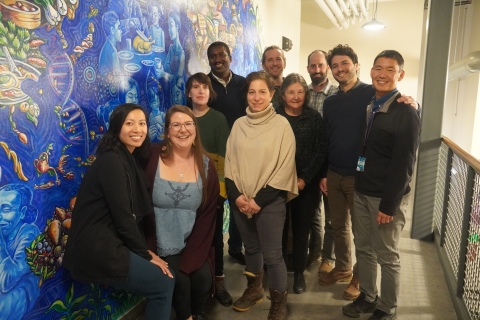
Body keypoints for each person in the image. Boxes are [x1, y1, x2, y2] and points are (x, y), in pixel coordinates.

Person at [320, 44, 418, 301]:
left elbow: (402, 119)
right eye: (335, 65)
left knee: (368, 239)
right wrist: (323, 172)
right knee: (339, 226)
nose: (340, 69)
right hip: (336, 173)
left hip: (362, 177)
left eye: (345, 64)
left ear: (357, 65)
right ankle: (344, 269)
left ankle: (361, 280)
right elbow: (327, 138)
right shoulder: (332, 102)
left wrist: (413, 103)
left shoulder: (370, 94)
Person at [63, 103, 175, 320]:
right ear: (116, 128)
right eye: (129, 123)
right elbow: (123, 217)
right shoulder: (113, 161)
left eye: (142, 123)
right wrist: (145, 254)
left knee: (165, 279)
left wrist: (144, 251)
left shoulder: (126, 158)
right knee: (163, 283)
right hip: (98, 247)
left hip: (110, 240)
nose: (137, 129)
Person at [342, 50, 421, 320]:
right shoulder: (372, 103)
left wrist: (389, 204)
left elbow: (404, 164)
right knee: (363, 246)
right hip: (362, 190)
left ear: (400, 75)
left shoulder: (405, 112)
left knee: (386, 254)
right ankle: (368, 295)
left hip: (385, 198)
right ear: (371, 71)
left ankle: (387, 308)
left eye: (390, 69)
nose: (382, 74)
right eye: (378, 68)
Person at [225, 71, 298, 319]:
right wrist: (237, 197)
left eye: (262, 92)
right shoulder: (238, 125)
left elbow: (285, 167)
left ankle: (278, 303)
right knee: (251, 248)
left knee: (273, 255)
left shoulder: (281, 126)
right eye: (252, 92)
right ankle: (254, 290)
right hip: (240, 201)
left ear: (272, 94)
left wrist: (258, 201)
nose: (256, 98)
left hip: (269, 202)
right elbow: (230, 165)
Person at [143, 105, 219, 320]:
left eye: (188, 124)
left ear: (195, 129)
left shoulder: (206, 166)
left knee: (203, 278)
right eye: (176, 125)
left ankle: (195, 314)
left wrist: (191, 258)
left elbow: (207, 217)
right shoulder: (151, 157)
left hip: (191, 242)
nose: (182, 130)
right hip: (157, 243)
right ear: (167, 131)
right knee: (180, 281)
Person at [276, 73, 326, 294]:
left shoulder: (314, 117)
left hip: (306, 185)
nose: (295, 96)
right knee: (279, 229)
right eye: (290, 92)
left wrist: (304, 177)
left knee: (301, 229)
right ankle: (278, 273)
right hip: (277, 184)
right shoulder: (274, 117)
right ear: (283, 95)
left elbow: (320, 151)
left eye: (300, 92)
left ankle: (298, 273)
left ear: (305, 94)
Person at [185, 72, 233, 307]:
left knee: (214, 238)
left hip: (212, 189)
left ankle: (218, 281)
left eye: (205, 87)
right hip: (186, 189)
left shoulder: (218, 119)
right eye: (196, 87)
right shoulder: (182, 118)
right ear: (189, 93)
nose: (201, 91)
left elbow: (225, 157)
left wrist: (220, 192)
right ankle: (194, 283)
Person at [207, 41, 246, 264]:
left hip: (240, 153)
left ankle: (235, 247)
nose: (218, 59)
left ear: (230, 57)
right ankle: (215, 257)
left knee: (238, 201)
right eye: (213, 56)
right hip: (214, 156)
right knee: (217, 203)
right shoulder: (204, 84)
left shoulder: (242, 84)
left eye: (222, 55)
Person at [305, 50, 337, 275]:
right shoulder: (302, 94)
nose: (317, 70)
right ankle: (314, 252)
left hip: (331, 164)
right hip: (308, 165)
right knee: (312, 213)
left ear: (327, 67)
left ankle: (329, 258)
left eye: (321, 66)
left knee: (332, 216)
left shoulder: (337, 95)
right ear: (308, 68)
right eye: (313, 66)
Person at [0, 184, 40, 319]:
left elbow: (7, 281)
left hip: (16, 297)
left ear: (22, 212)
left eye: (6, 209)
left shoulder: (30, 233)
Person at [165, 10, 185, 77]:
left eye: (171, 25)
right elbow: (166, 66)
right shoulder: (171, 47)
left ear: (177, 26)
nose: (169, 29)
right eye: (168, 26)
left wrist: (164, 74)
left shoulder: (181, 54)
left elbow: (178, 82)